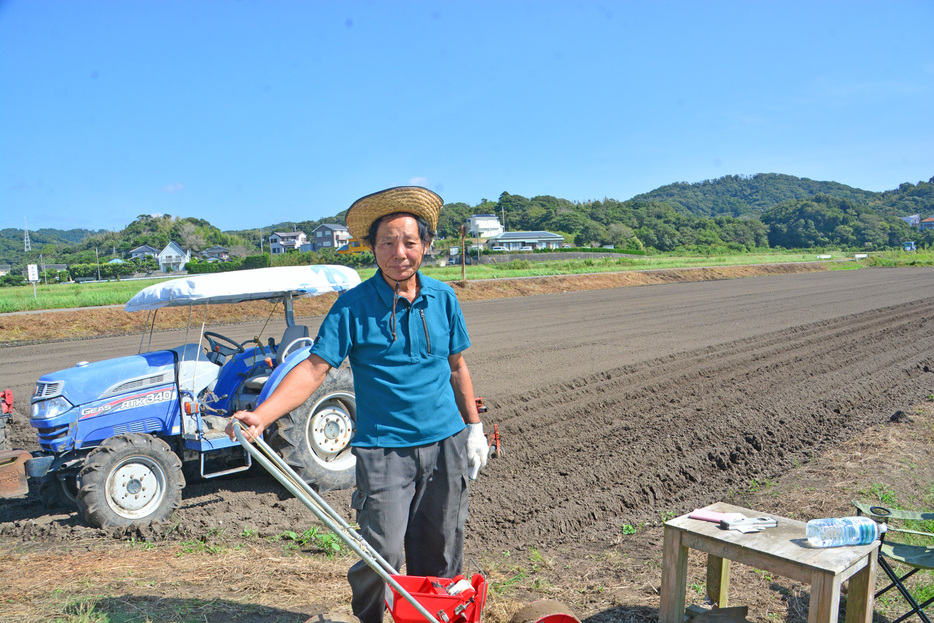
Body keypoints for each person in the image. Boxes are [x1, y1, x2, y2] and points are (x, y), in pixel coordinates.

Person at [228, 186, 489, 623]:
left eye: (409, 241)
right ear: (372, 249)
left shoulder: (443, 298)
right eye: (387, 242)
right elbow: (314, 369)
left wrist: (474, 427)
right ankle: (368, 618)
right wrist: (261, 415)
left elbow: (457, 367)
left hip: (446, 443)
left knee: (442, 549)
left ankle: (433, 618)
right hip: (384, 451)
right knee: (380, 553)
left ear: (425, 245)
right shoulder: (352, 307)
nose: (398, 252)